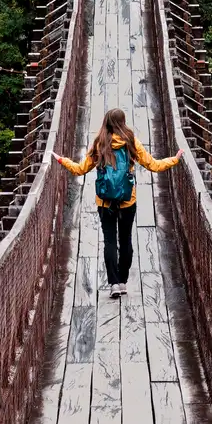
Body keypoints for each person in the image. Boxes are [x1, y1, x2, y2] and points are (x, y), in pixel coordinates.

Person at [52, 108, 183, 298]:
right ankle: (122, 281)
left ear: (107, 121)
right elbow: (153, 165)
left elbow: (80, 170)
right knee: (126, 240)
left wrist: (61, 160)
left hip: (105, 202)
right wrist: (175, 159)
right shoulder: (130, 142)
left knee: (110, 242)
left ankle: (113, 283)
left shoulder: (100, 144)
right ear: (123, 122)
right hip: (128, 201)